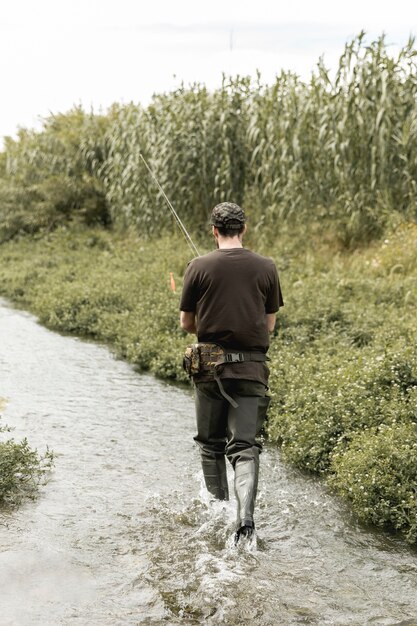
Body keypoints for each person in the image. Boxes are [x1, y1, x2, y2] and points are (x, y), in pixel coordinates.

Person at [179, 202, 284, 543]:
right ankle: (245, 521)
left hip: (210, 372)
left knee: (211, 445)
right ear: (244, 229)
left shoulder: (198, 266)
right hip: (252, 370)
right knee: (245, 447)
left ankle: (218, 511)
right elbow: (269, 324)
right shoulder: (266, 267)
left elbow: (186, 323)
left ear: (214, 230)